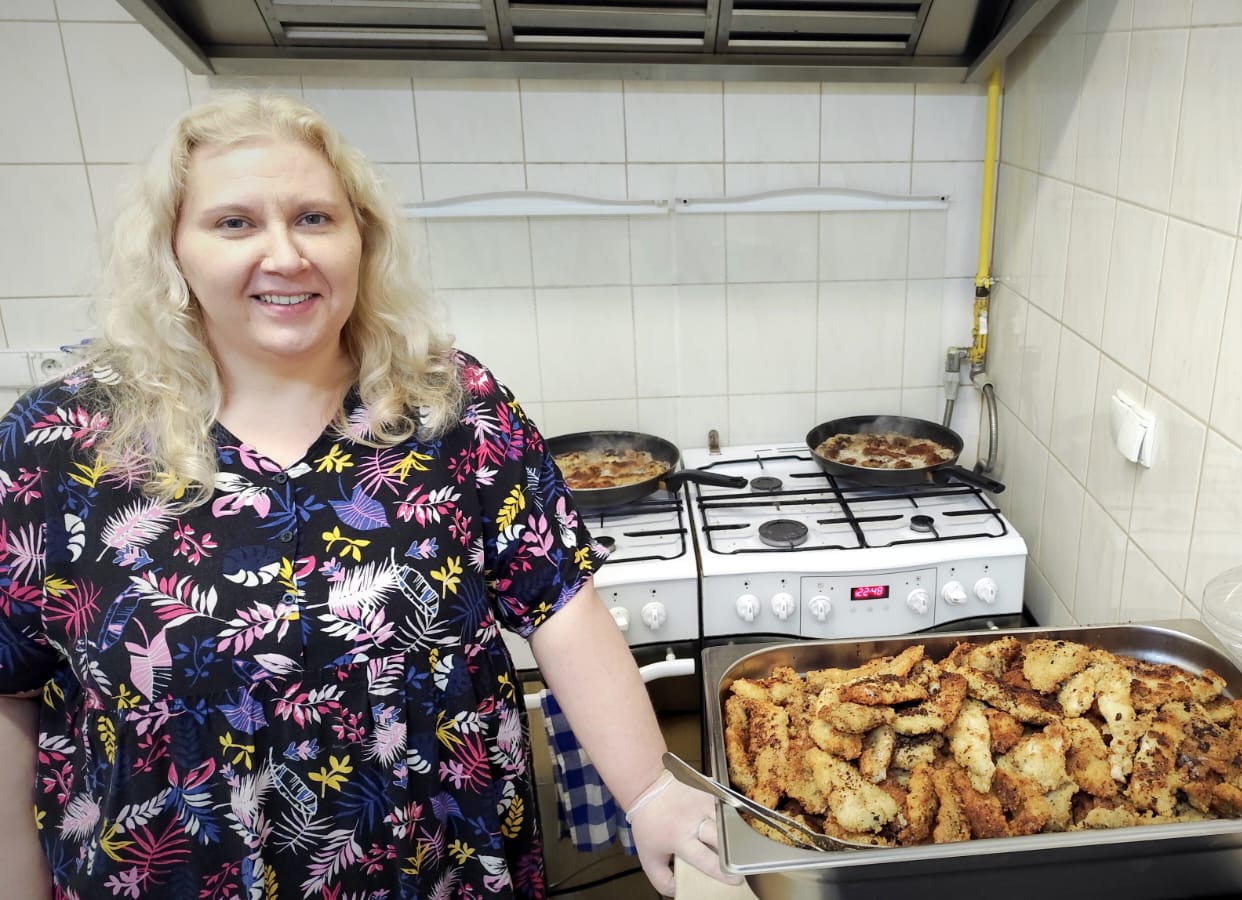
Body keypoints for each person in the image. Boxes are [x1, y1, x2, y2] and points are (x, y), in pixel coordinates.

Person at [0, 91, 740, 899]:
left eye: (314, 218)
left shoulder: (450, 403)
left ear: (362, 237)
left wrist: (651, 790)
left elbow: (559, 605)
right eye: (235, 223)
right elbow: (10, 690)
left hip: (441, 869)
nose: (286, 255)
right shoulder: (61, 441)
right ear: (173, 249)